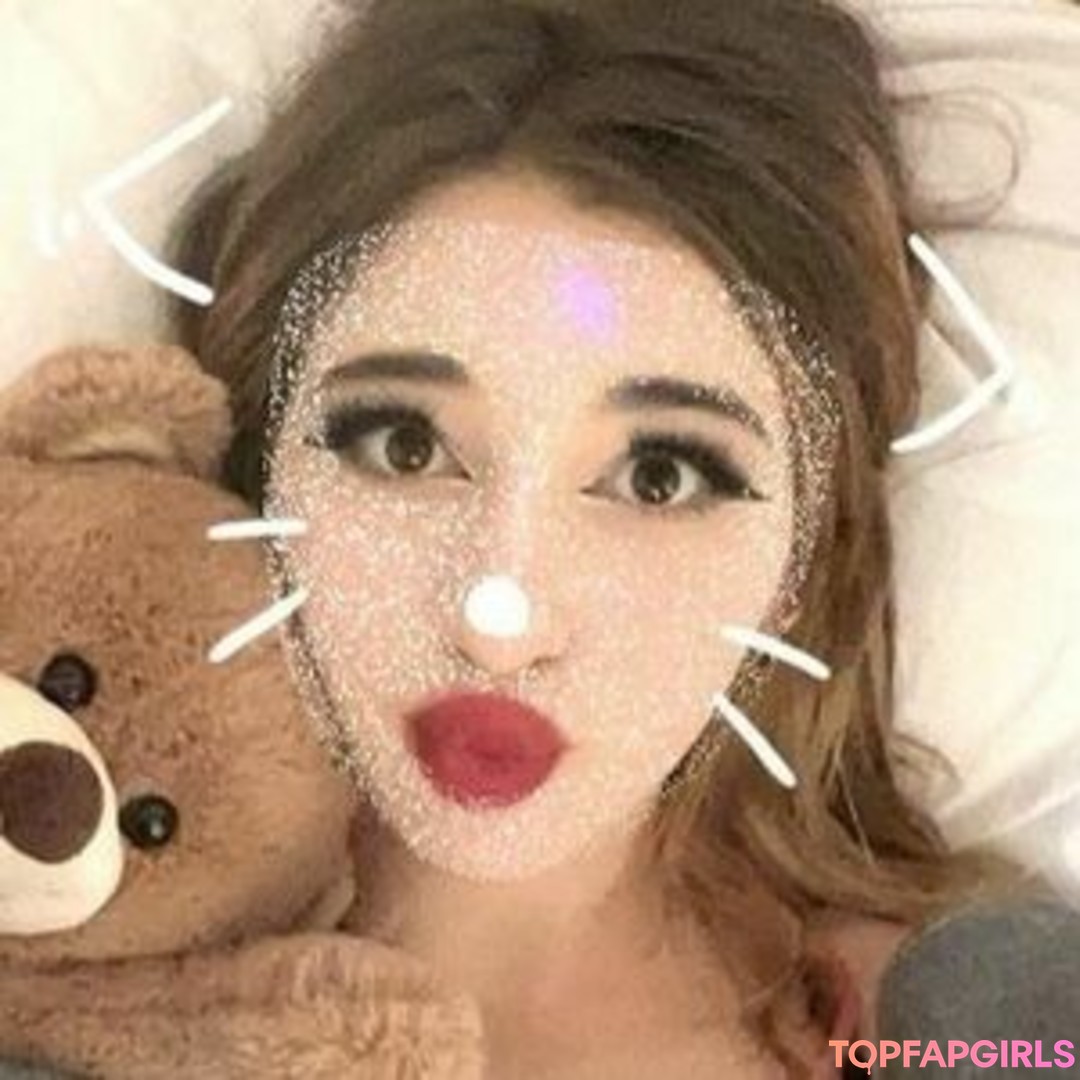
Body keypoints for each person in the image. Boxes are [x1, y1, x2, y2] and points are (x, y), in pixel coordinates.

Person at [169, 0, 1065, 1076]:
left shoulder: (992, 1031)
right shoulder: (59, 964)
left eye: (659, 476)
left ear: (810, 544)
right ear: (258, 447)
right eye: (405, 444)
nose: (500, 619)